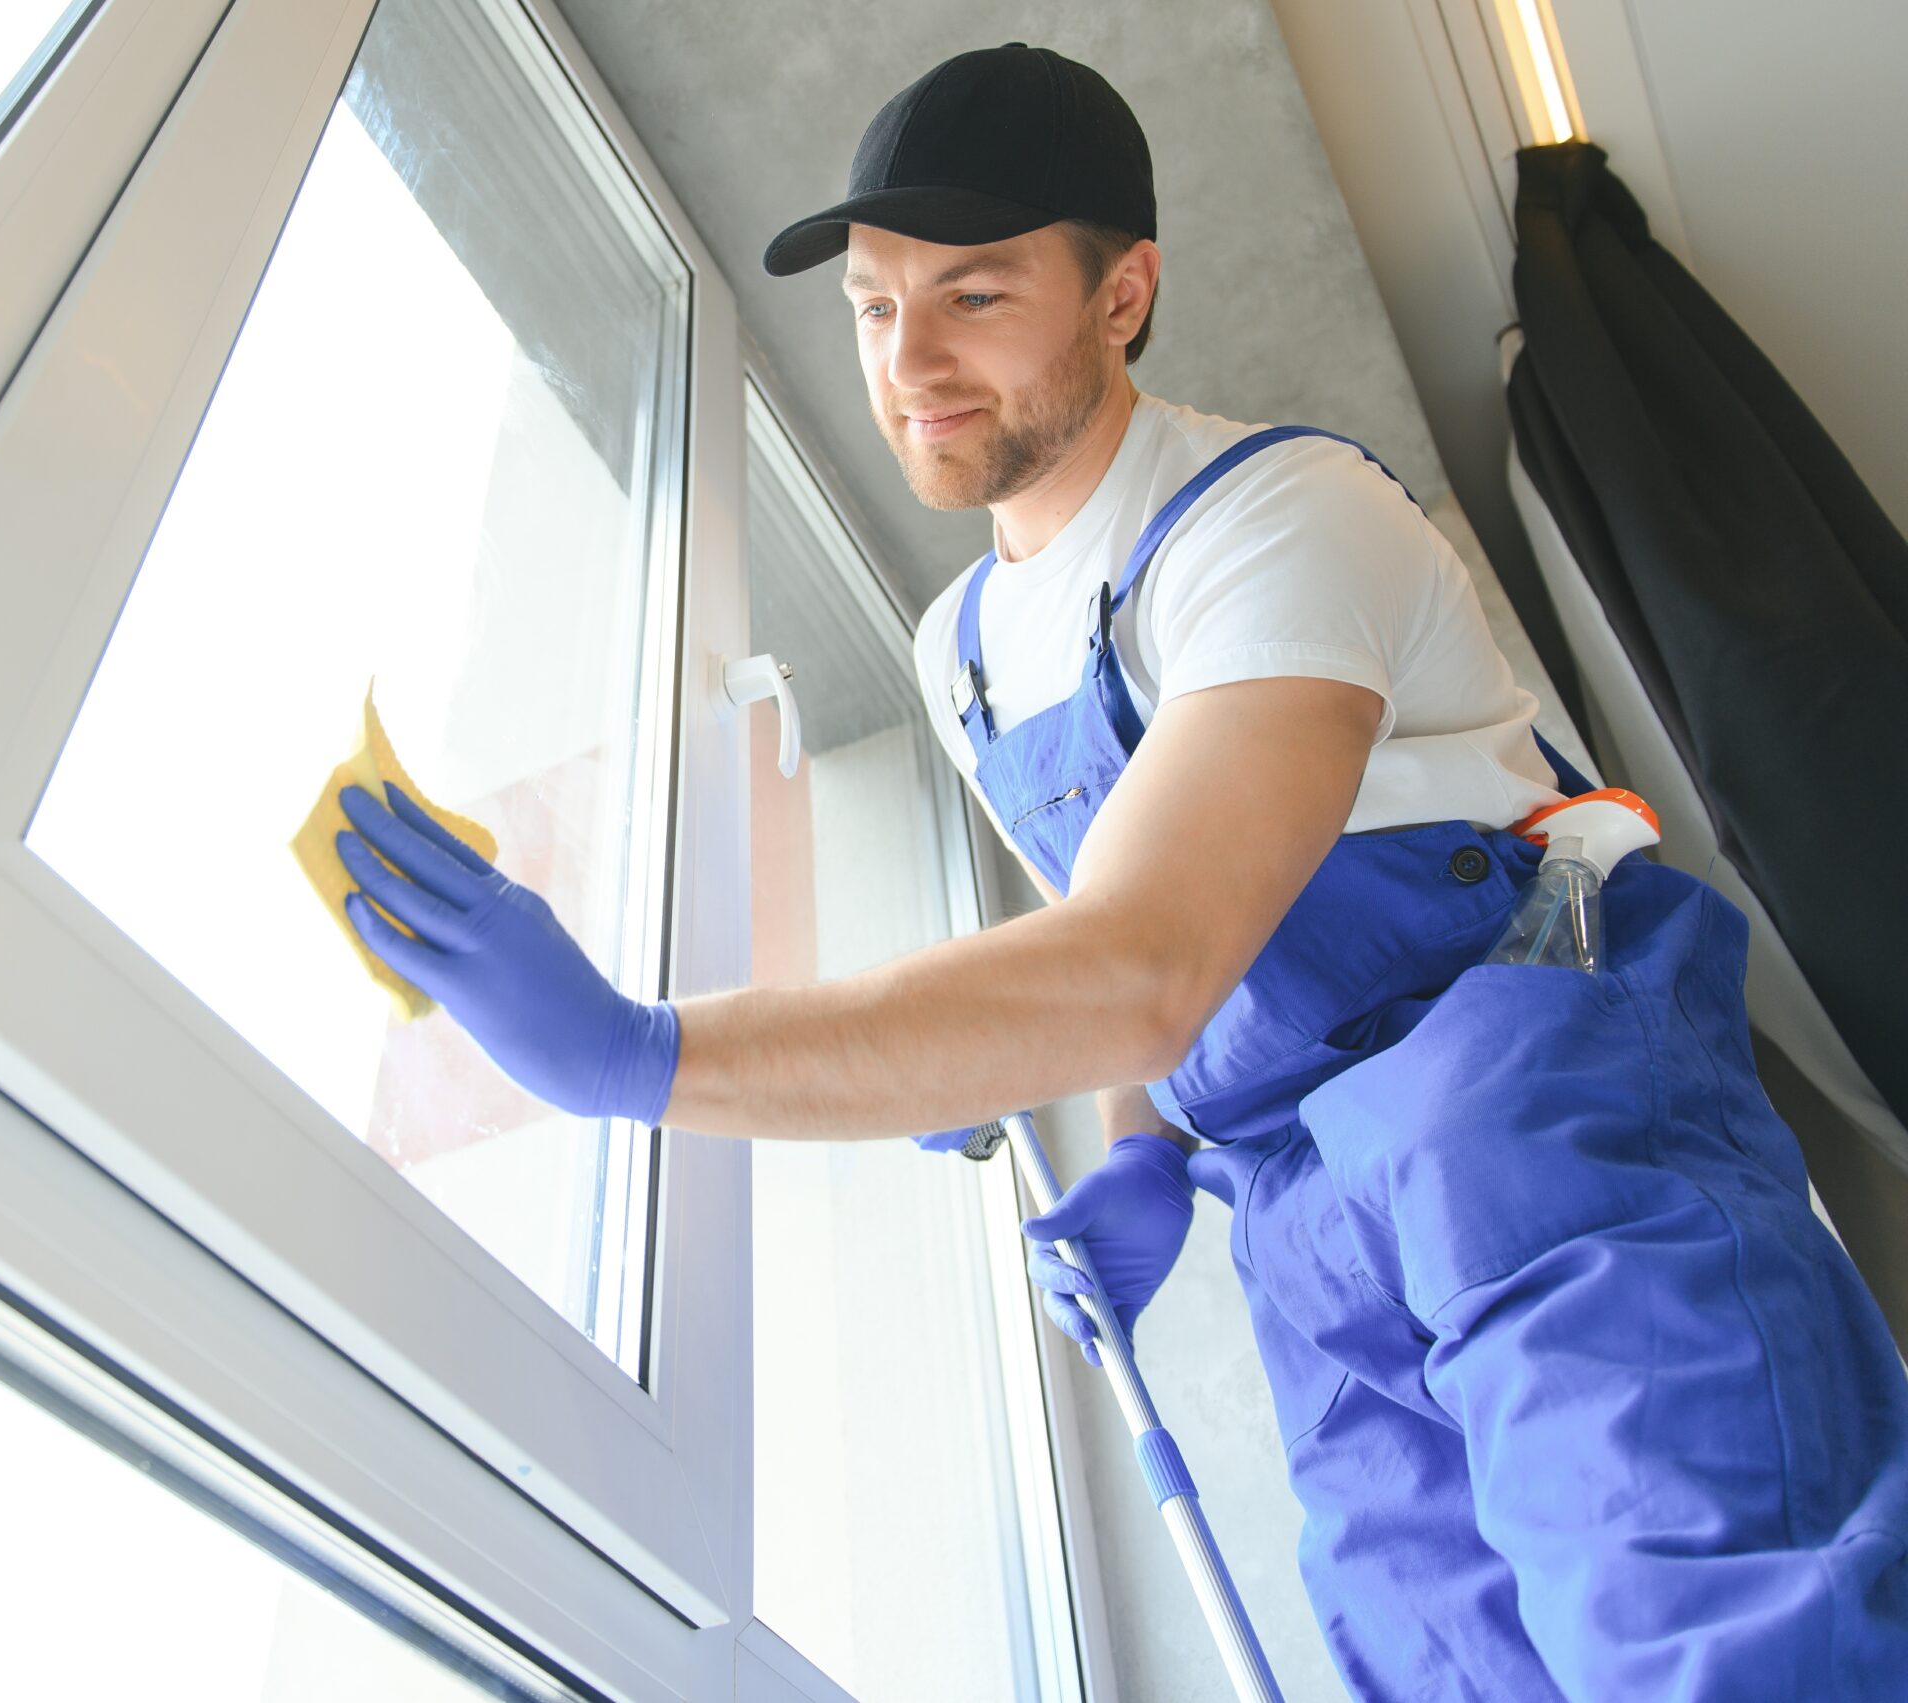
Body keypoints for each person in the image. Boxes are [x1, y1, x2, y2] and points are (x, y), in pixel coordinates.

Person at [330, 40, 1908, 1703]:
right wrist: (1137, 1155)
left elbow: (1145, 959)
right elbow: (1123, 964)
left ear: (1122, 294)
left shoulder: (1277, 518)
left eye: (976, 296)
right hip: (1302, 1220)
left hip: (1537, 1117)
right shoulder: (966, 652)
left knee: (1715, 1636)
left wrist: (635, 1056)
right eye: (874, 306)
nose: (909, 361)